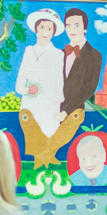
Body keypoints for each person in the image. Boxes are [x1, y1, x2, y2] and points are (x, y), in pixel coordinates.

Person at [16, 9, 84, 167]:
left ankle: (49, 163)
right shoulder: (28, 51)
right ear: (36, 29)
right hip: (30, 102)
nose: (45, 32)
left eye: (49, 29)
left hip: (49, 103)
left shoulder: (57, 54)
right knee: (32, 133)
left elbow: (58, 82)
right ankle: (36, 164)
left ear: (53, 32)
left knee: (48, 131)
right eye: (42, 27)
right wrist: (26, 90)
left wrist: (58, 106)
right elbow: (20, 79)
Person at [60, 6, 104, 115]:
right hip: (52, 112)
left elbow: (88, 90)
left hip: (75, 114)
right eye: (68, 25)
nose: (72, 30)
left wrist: (65, 111)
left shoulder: (94, 55)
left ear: (85, 28)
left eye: (77, 25)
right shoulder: (58, 54)